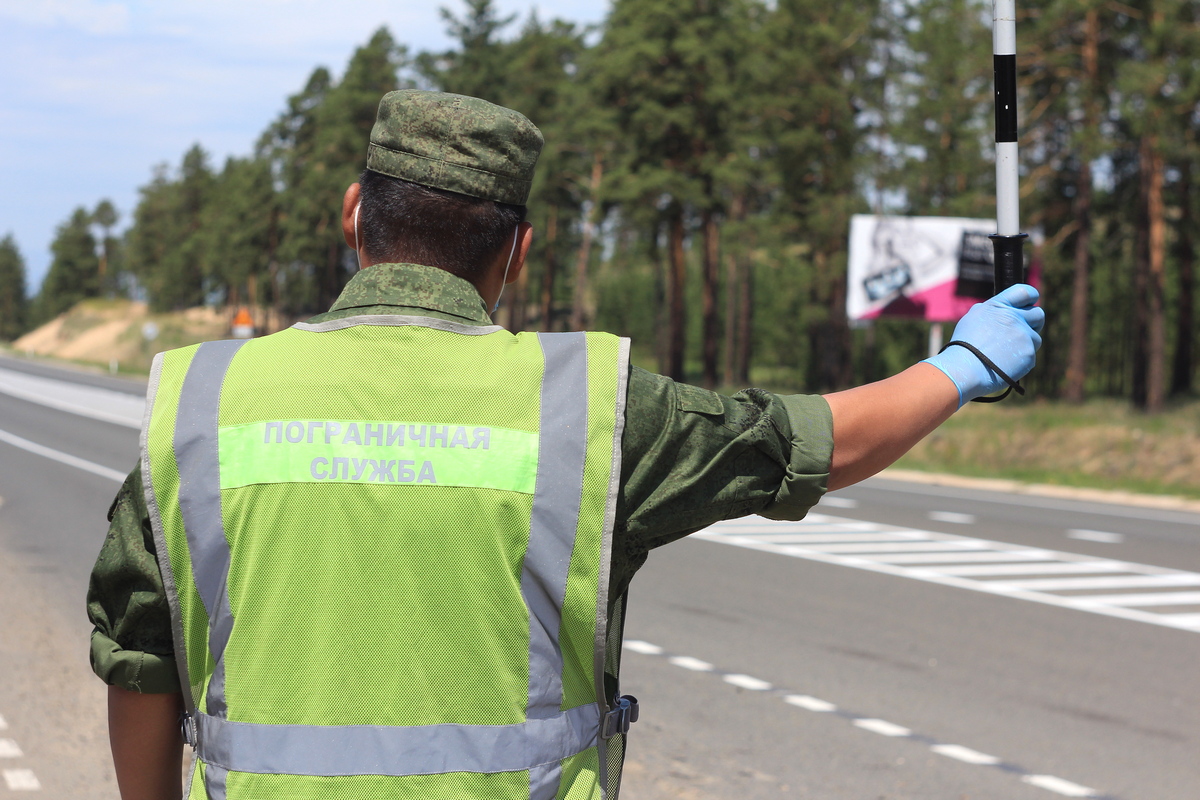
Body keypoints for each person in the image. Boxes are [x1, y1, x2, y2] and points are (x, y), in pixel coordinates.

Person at [87, 90, 1044, 800]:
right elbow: (811, 445)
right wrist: (964, 365)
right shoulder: (585, 409)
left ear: (352, 215)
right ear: (519, 250)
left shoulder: (202, 404)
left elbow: (140, 654)